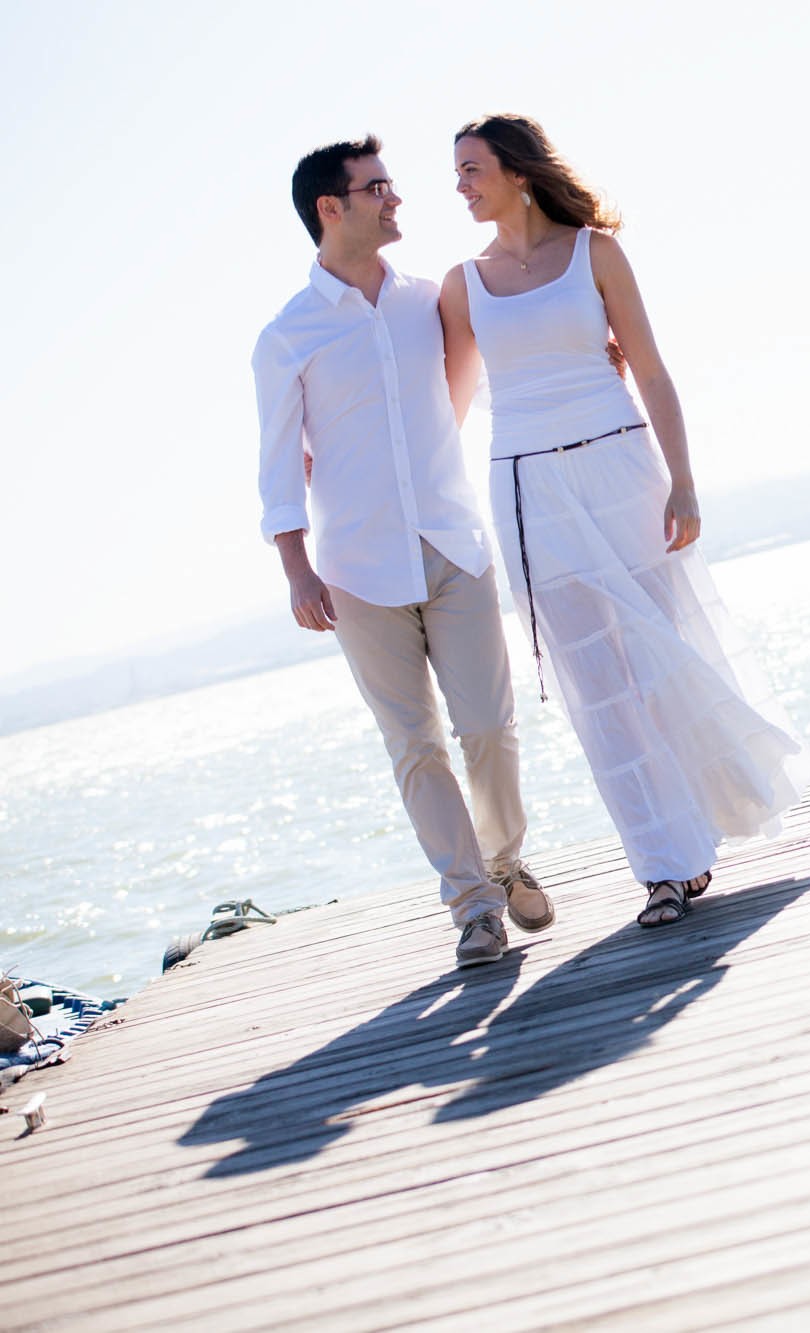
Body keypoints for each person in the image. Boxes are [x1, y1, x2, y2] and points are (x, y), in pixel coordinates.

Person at [440, 113, 810, 929]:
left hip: (621, 467)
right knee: (597, 686)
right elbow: (449, 408)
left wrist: (684, 481)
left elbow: (650, 367)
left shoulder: (595, 253)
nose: (460, 185)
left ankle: (708, 821)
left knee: (659, 657)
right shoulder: (462, 283)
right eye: (456, 172)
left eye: (471, 169)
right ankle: (663, 868)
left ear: (518, 172)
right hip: (528, 488)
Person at [253, 136, 552, 970]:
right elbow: (278, 463)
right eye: (378, 188)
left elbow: (491, 371)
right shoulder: (287, 335)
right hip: (356, 572)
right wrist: (296, 567)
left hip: (455, 543)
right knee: (414, 746)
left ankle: (504, 859)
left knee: (489, 727)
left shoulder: (431, 299)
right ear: (331, 207)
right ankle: (473, 907)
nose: (396, 200)